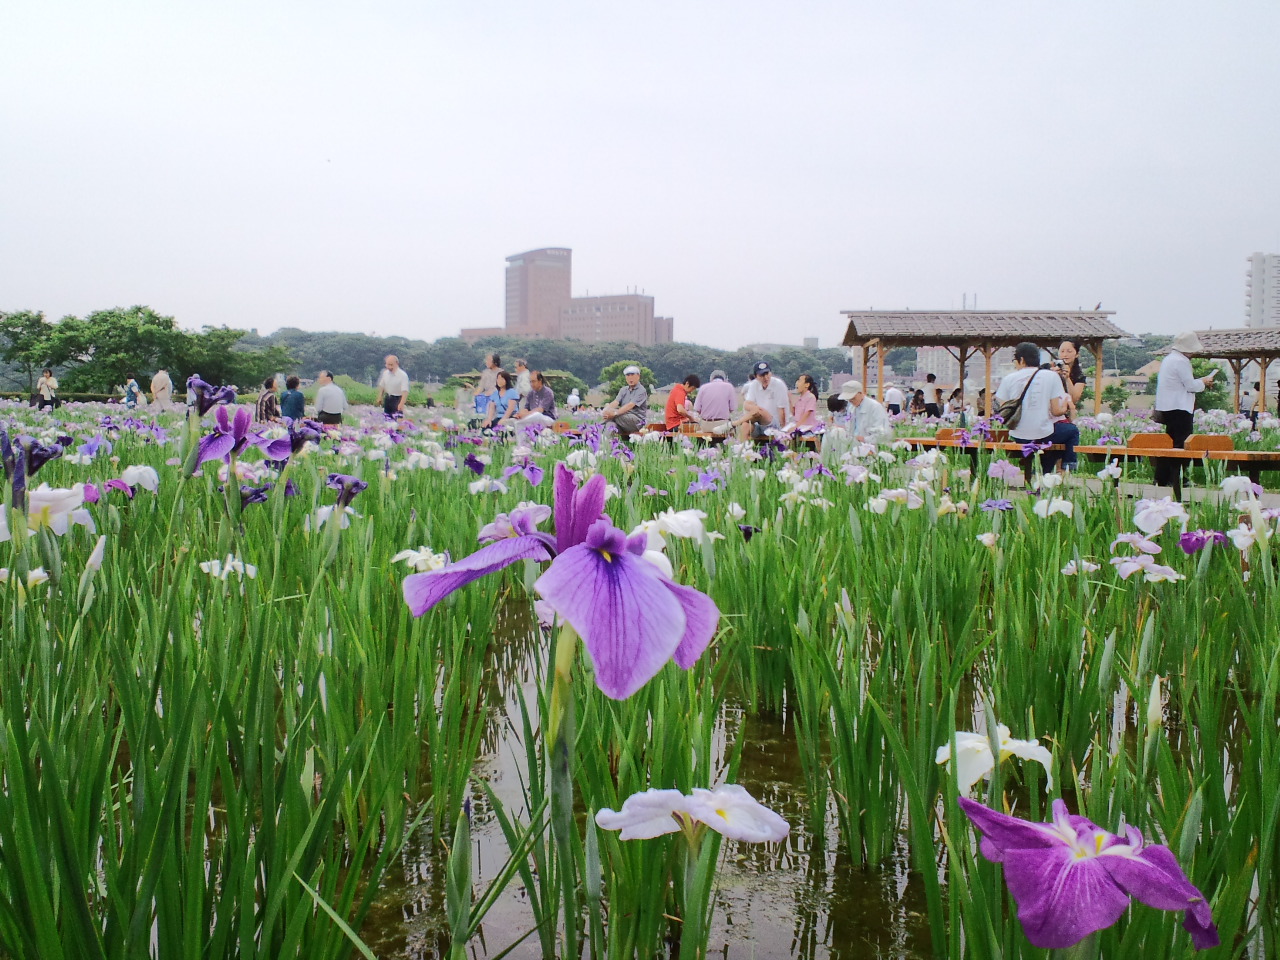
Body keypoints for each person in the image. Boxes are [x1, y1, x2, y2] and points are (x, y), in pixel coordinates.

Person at [994, 342, 1069, 477]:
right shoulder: (1052, 376)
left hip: (1018, 436)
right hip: (1044, 435)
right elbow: (1056, 411)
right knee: (1071, 432)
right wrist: (1065, 407)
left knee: (1050, 440)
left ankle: (1040, 472)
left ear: (1021, 360)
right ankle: (1063, 468)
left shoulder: (1008, 379)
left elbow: (1004, 411)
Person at [1153, 331, 1216, 487]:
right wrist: (1204, 382)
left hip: (1167, 406)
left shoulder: (1169, 359)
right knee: (1181, 445)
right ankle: (1177, 477)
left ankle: (1162, 477)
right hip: (1180, 407)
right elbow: (1190, 386)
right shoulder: (1181, 362)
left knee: (1169, 444)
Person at [1046, 339, 1087, 472]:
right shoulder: (1048, 369)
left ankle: (1063, 473)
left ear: (1077, 354)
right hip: (1050, 413)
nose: (1065, 354)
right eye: (1062, 351)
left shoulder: (1079, 375)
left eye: (1069, 351)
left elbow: (1075, 398)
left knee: (1065, 444)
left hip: (1067, 413)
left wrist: (1067, 378)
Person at [735, 361, 790, 439]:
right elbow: (746, 404)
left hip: (775, 424)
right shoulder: (754, 385)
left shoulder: (779, 385)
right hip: (758, 423)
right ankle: (742, 449)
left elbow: (782, 411)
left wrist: (783, 432)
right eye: (762, 375)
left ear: (770, 373)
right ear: (756, 376)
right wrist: (755, 410)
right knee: (745, 425)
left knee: (761, 411)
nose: (765, 377)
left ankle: (734, 424)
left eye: (767, 374)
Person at [602, 365, 648, 438]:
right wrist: (606, 410)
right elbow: (615, 402)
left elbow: (630, 406)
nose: (630, 378)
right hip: (622, 421)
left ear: (638, 376)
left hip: (636, 422)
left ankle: (596, 428)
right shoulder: (623, 390)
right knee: (610, 426)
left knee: (615, 416)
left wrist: (614, 413)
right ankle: (604, 447)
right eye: (628, 375)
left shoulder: (641, 390)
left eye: (632, 375)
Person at [472, 353, 500, 422]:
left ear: (495, 362)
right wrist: (476, 393)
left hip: (497, 398)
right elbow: (481, 385)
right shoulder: (485, 372)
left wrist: (493, 391)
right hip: (486, 398)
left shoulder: (501, 372)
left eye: (489, 360)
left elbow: (502, 387)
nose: (486, 362)